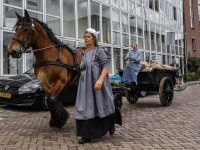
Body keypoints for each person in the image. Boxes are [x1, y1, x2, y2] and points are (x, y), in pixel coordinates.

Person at [75, 28, 122, 144]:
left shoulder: (99, 51)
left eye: (88, 37)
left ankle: (109, 125)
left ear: (94, 38)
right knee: (87, 106)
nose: (85, 39)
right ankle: (87, 135)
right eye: (85, 37)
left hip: (97, 83)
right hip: (86, 85)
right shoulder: (85, 52)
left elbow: (105, 67)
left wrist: (100, 81)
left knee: (101, 103)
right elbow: (82, 67)